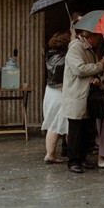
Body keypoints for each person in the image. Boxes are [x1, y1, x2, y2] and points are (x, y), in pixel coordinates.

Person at [62, 28, 104, 173]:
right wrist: (100, 66)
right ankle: (73, 160)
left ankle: (82, 157)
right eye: (98, 37)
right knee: (76, 130)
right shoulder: (76, 48)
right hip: (77, 95)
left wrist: (96, 78)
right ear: (90, 36)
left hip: (88, 95)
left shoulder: (90, 50)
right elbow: (79, 69)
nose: (99, 40)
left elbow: (90, 72)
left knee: (87, 129)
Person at [41, 31, 70, 164]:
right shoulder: (65, 58)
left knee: (52, 124)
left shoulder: (49, 55)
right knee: (65, 125)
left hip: (50, 91)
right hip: (60, 92)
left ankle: (50, 154)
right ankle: (68, 153)